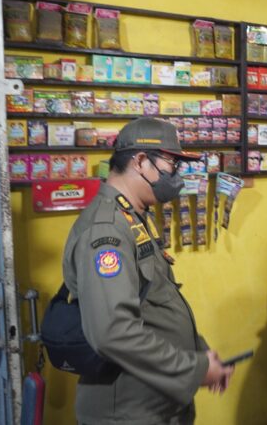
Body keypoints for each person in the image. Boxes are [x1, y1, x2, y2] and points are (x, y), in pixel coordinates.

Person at [61, 117, 233, 424]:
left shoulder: (133, 217)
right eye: (172, 164)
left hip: (157, 403)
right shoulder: (106, 230)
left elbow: (156, 299)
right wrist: (192, 368)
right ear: (141, 161)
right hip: (127, 411)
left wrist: (199, 354)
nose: (177, 175)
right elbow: (113, 332)